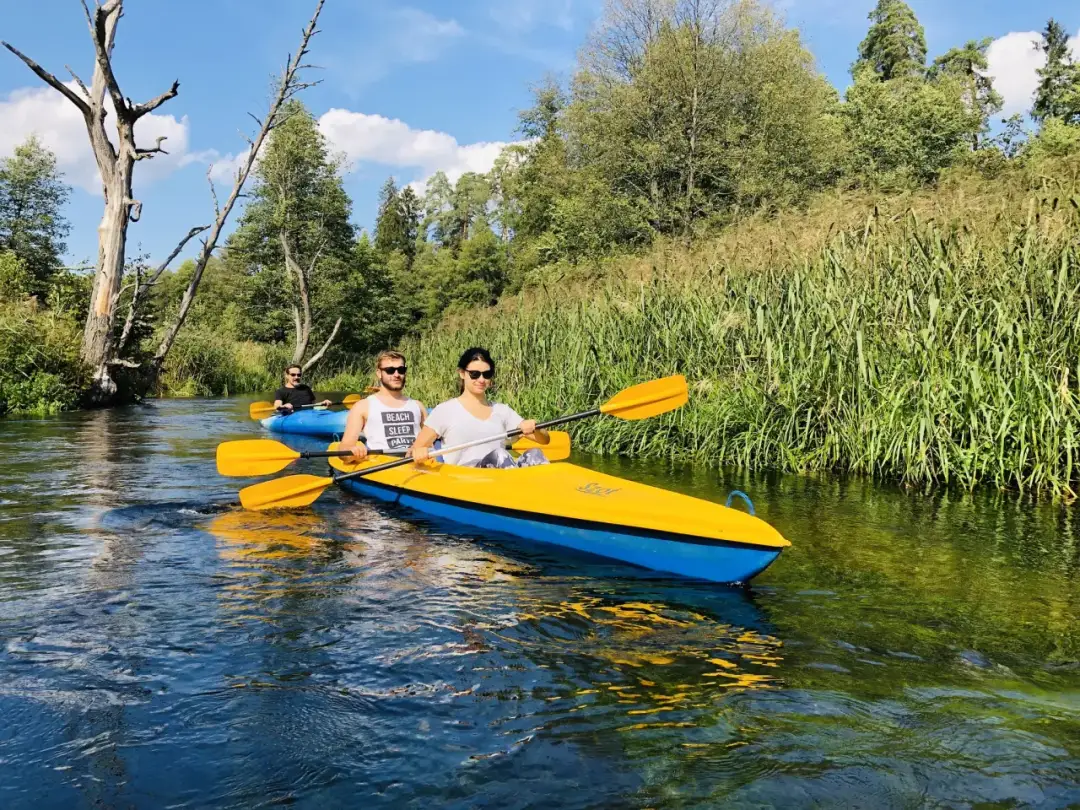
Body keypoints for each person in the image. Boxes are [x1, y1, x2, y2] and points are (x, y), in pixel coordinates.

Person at [409, 347, 549, 468]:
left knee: (534, 454)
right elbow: (414, 449)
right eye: (474, 374)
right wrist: (419, 451)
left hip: (500, 474)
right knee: (499, 455)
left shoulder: (502, 410)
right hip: (466, 481)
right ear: (462, 373)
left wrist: (535, 426)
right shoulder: (445, 410)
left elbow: (544, 440)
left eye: (486, 374)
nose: (481, 380)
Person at [339, 351, 427, 460]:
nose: (396, 375)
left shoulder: (418, 406)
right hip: (381, 467)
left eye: (401, 370)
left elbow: (430, 443)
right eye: (390, 370)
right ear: (379, 373)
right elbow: (344, 448)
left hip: (416, 464)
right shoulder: (363, 406)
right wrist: (352, 452)